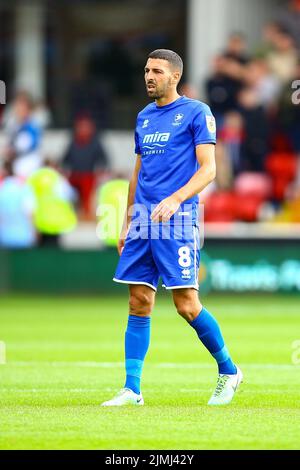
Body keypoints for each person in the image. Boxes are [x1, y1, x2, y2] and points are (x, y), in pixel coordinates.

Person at [102, 49, 242, 408]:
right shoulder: (144, 117)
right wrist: (127, 220)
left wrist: (177, 198)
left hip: (177, 220)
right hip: (143, 221)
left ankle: (229, 370)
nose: (149, 76)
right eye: (147, 70)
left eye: (157, 71)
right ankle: (132, 389)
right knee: (138, 301)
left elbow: (208, 169)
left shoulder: (197, 112)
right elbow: (138, 172)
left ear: (174, 76)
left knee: (186, 305)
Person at [62, 114, 109, 219]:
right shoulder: (74, 142)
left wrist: (101, 171)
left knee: (87, 196)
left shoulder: (95, 142)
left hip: (88, 176)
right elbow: (65, 159)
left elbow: (104, 159)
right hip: (74, 176)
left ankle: (87, 216)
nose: (83, 129)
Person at [0, 161, 36, 248]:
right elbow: (30, 212)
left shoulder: (2, 188)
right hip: (24, 236)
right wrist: (34, 232)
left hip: (4, 235)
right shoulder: (25, 188)